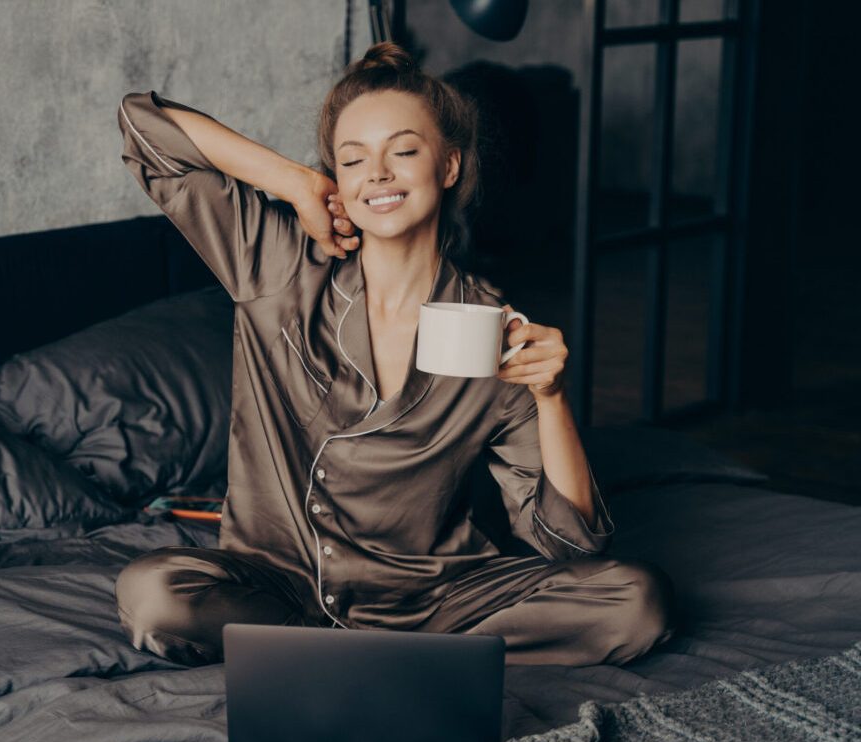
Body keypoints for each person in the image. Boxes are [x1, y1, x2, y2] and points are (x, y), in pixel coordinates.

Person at [114, 42, 675, 668]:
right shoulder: (279, 265)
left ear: (450, 167)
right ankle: (377, 657)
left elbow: (570, 545)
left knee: (637, 603)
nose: (377, 174)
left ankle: (363, 655)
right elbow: (145, 124)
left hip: (435, 600)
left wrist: (551, 398)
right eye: (354, 160)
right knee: (154, 596)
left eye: (403, 152)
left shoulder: (495, 329)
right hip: (281, 586)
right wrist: (298, 181)